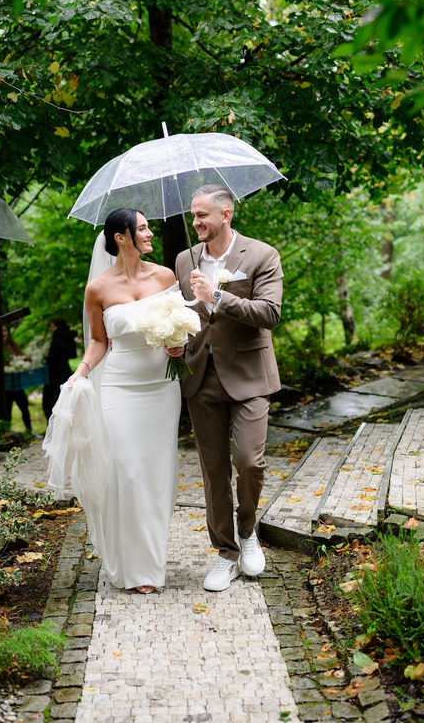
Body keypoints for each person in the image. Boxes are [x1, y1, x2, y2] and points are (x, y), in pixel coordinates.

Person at [44, 208, 184, 594]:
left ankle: (152, 566)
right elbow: (99, 341)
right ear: (121, 237)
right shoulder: (98, 289)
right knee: (126, 471)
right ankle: (132, 566)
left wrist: (178, 343)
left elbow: (179, 324)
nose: (149, 233)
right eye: (142, 228)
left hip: (161, 388)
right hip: (120, 389)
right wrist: (80, 373)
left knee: (157, 475)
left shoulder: (166, 277)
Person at [175, 184, 283, 592]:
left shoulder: (261, 254)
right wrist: (174, 339)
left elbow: (270, 313)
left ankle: (248, 530)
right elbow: (184, 314)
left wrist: (218, 295)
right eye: (193, 215)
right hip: (200, 375)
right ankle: (226, 553)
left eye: (202, 215)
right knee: (213, 469)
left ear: (226, 214)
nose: (196, 222)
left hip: (250, 375)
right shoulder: (184, 259)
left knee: (249, 461)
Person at [42, 318, 77, 421]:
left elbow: (52, 357)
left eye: (53, 326)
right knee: (63, 396)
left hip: (54, 372)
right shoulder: (69, 337)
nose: (52, 329)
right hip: (65, 369)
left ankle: (54, 422)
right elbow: (73, 354)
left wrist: (46, 358)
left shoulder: (57, 338)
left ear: (58, 327)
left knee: (51, 399)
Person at [2, 324, 33, 432]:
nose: (3, 333)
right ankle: (7, 433)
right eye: (1, 331)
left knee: (24, 407)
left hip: (17, 383)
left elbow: (20, 357)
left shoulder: (12, 344)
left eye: (5, 330)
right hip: (6, 385)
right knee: (7, 410)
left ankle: (29, 430)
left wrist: (25, 360)